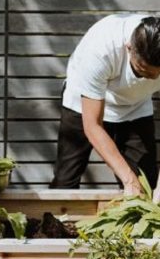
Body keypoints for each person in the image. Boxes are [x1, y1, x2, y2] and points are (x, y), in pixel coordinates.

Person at [49, 14, 160, 202]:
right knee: (65, 182)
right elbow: (92, 125)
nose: (152, 77)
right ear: (129, 48)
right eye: (143, 71)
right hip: (83, 104)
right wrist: (128, 180)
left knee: (147, 186)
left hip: (136, 106)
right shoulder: (101, 49)